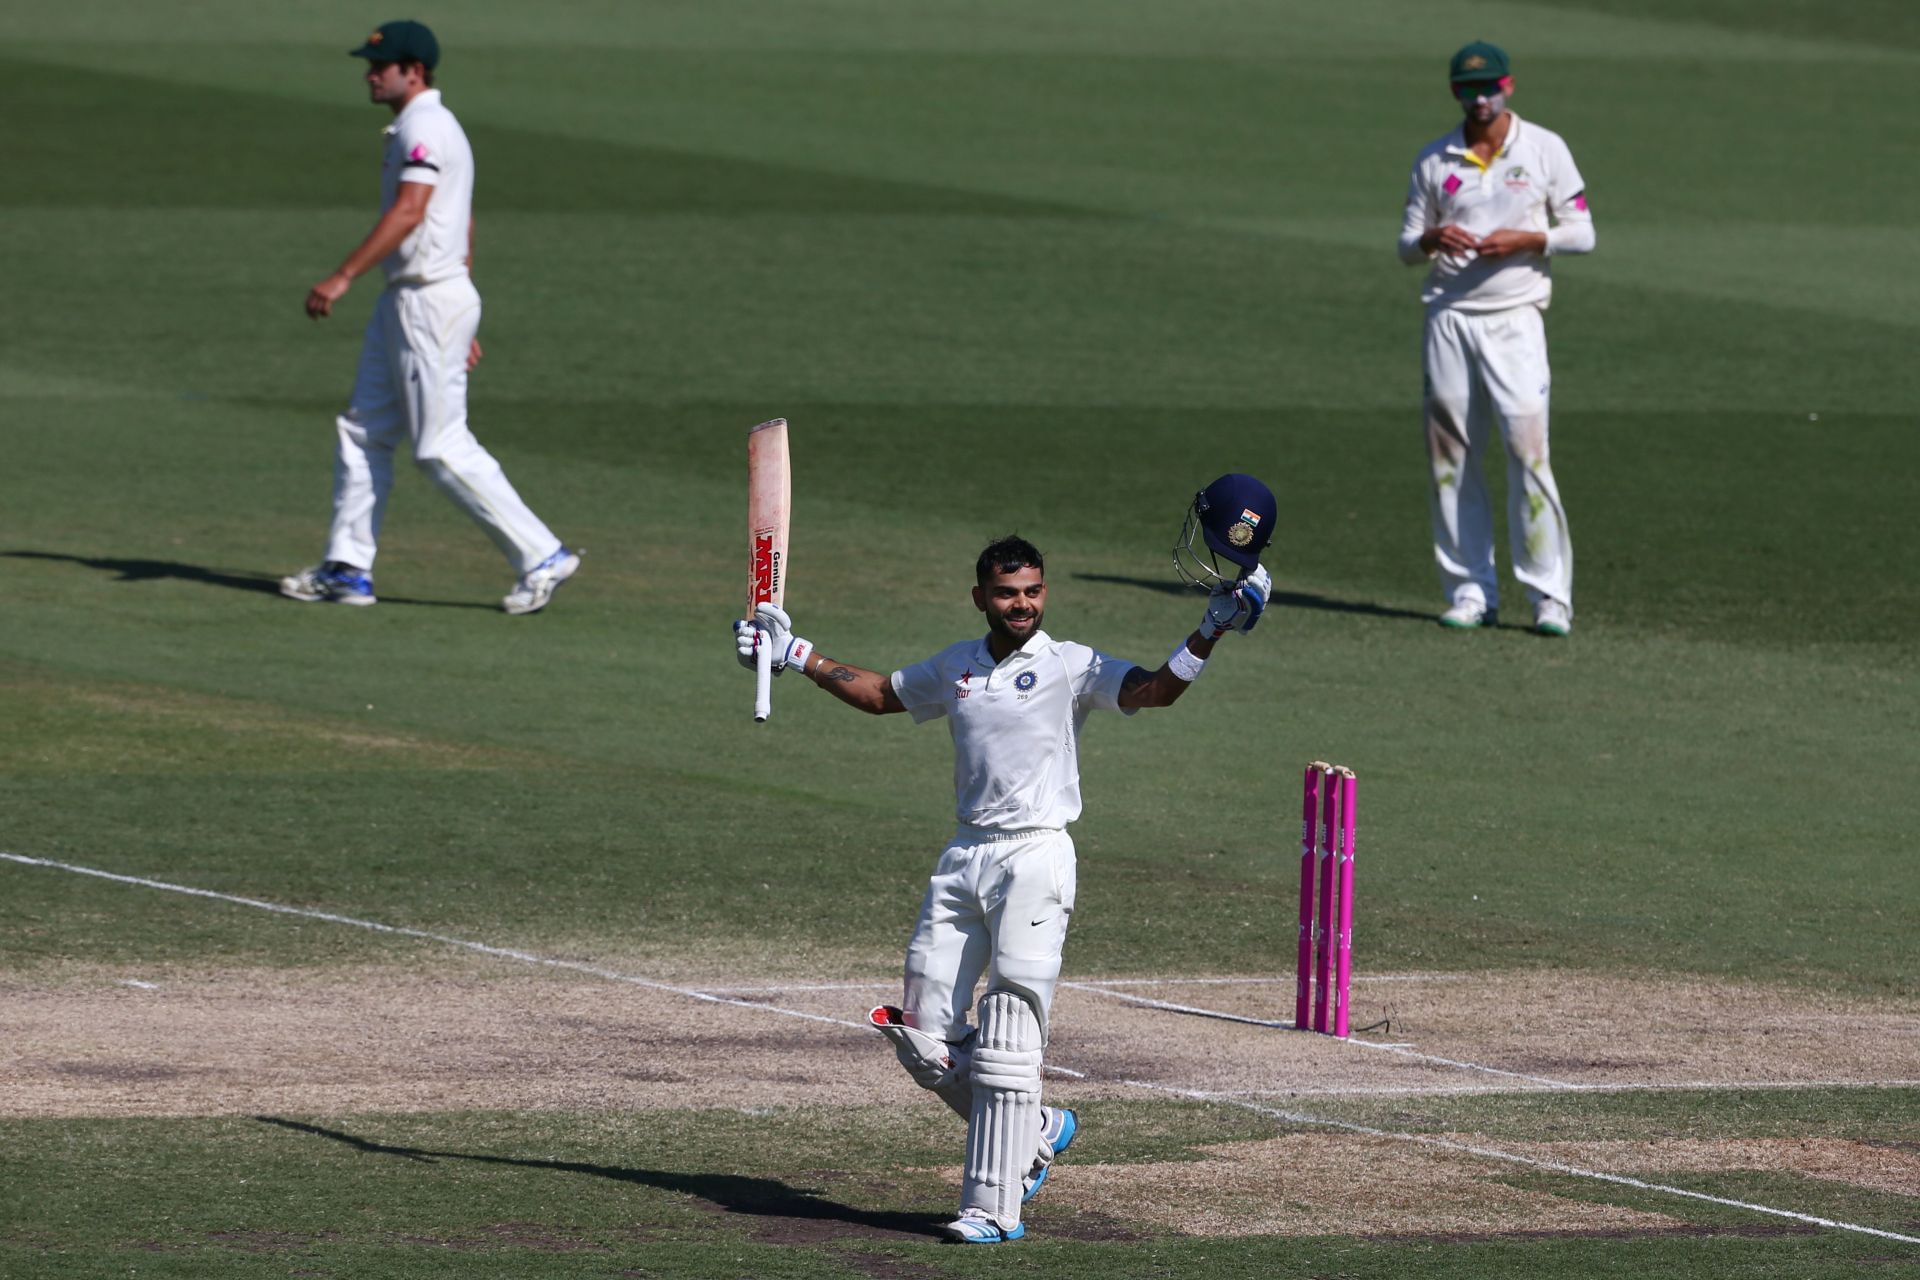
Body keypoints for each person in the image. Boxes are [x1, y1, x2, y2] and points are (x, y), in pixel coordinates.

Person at [733, 476, 1276, 1245]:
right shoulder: (955, 666)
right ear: (980, 597)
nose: (1022, 603)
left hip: (1037, 855)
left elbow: (1155, 692)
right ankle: (1039, 1128)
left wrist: (1209, 630)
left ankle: (992, 1208)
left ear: (1043, 592)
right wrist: (795, 653)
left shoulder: (1071, 664)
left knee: (1012, 1033)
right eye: (1006, 593)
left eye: (1032, 591)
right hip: (965, 855)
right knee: (922, 1035)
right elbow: (883, 694)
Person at [281, 20, 579, 615]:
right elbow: (458, 218)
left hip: (427, 299)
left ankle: (541, 553)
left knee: (440, 447)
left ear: (413, 70)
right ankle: (347, 567)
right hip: (414, 301)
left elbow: (413, 210)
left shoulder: (426, 126)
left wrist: (342, 276)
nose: (370, 73)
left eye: (381, 64)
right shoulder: (416, 126)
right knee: (363, 429)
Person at [1399, 40, 1594, 636]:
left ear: (1508, 86)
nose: (1479, 99)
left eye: (1488, 88)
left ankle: (1548, 598)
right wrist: (1434, 240)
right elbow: (1407, 246)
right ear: (1455, 92)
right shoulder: (1436, 159)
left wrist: (1527, 240)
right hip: (1450, 318)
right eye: (1467, 89)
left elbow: (1583, 232)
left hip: (1516, 320)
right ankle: (1469, 591)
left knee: (1527, 452)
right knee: (1450, 456)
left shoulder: (1543, 148)